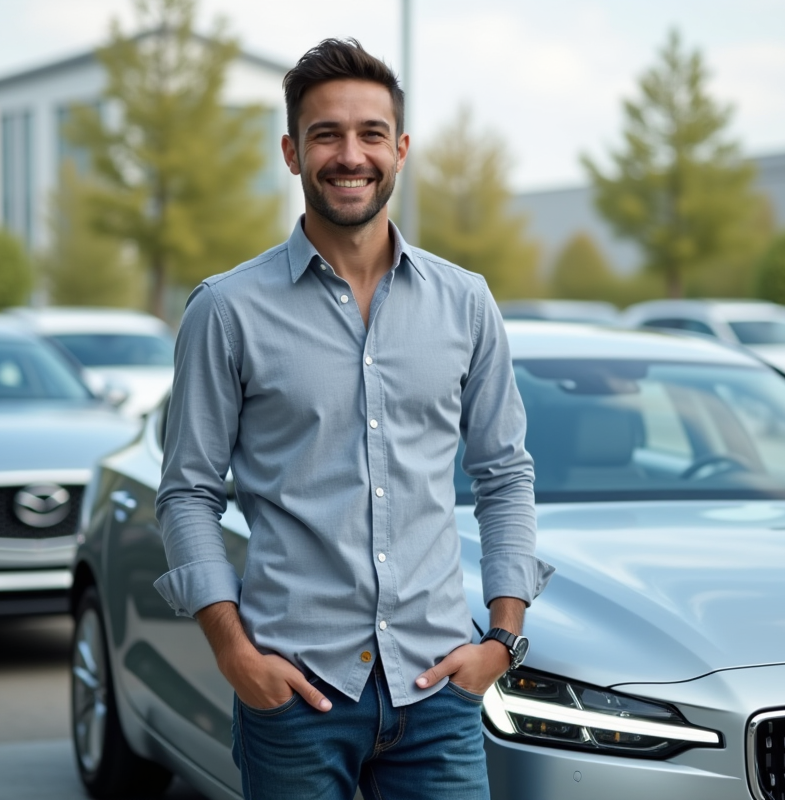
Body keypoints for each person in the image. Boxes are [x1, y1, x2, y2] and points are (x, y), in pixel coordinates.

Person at [154, 38, 552, 800]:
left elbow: (505, 473)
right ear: (291, 151)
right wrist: (234, 652)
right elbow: (188, 492)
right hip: (296, 692)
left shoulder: (466, 303)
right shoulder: (227, 310)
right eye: (325, 134)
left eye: (371, 133)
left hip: (438, 692)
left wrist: (502, 637)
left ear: (400, 150)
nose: (350, 154)